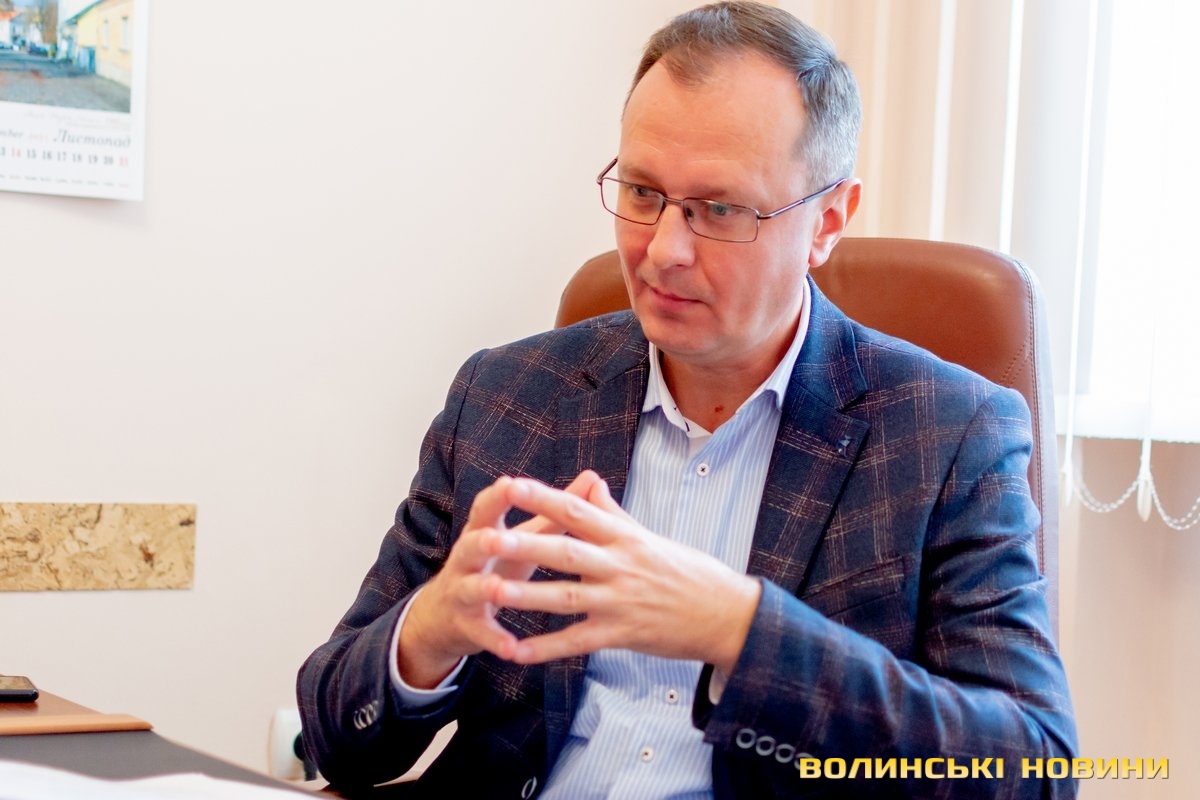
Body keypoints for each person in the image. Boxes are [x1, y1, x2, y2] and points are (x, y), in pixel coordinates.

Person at [297, 2, 1077, 797]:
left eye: (720, 209)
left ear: (827, 221)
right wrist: (428, 632)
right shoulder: (506, 397)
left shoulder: (947, 433)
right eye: (642, 193)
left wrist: (740, 628)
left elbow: (1032, 765)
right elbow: (333, 738)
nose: (664, 250)